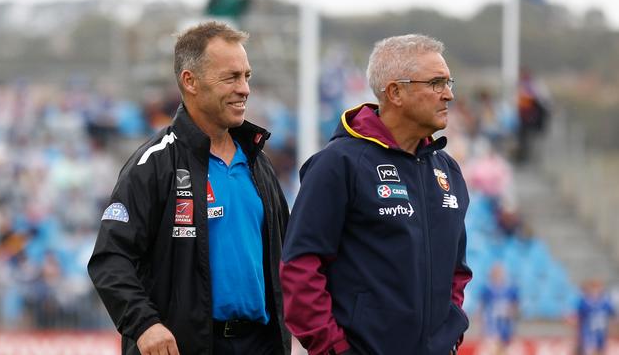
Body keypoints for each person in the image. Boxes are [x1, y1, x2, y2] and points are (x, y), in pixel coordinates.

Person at [88, 21, 290, 355]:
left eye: (247, 76)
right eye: (231, 77)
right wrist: (145, 325)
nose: (245, 89)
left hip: (260, 344)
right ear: (190, 81)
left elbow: (289, 258)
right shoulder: (154, 164)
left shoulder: (259, 163)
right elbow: (110, 259)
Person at [280, 34, 472, 355]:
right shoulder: (339, 164)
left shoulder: (448, 171)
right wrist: (335, 349)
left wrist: (448, 335)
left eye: (448, 82)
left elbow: (457, 270)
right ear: (395, 92)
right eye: (436, 83)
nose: (449, 95)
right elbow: (300, 266)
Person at [478, 263, 519, 355]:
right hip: (491, 328)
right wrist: (483, 328)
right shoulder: (486, 289)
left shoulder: (510, 290)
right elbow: (481, 308)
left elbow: (515, 309)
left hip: (505, 328)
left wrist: (509, 312)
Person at [574, 279, 615, 355]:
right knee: (589, 351)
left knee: (601, 351)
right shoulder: (584, 302)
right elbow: (578, 316)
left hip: (601, 332)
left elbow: (612, 315)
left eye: (598, 288)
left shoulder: (605, 302)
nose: (595, 291)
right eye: (593, 289)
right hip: (588, 332)